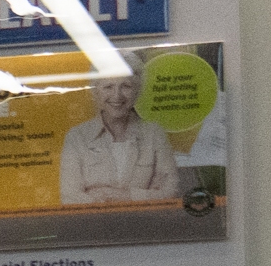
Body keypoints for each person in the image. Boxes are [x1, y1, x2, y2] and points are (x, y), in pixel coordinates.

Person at [57, 71, 180, 206]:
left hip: (146, 223)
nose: (117, 95)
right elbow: (69, 198)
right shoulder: (77, 136)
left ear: (136, 91)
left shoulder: (154, 134)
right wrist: (145, 196)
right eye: (108, 87)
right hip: (94, 225)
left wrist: (125, 196)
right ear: (95, 92)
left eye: (126, 86)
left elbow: (171, 192)